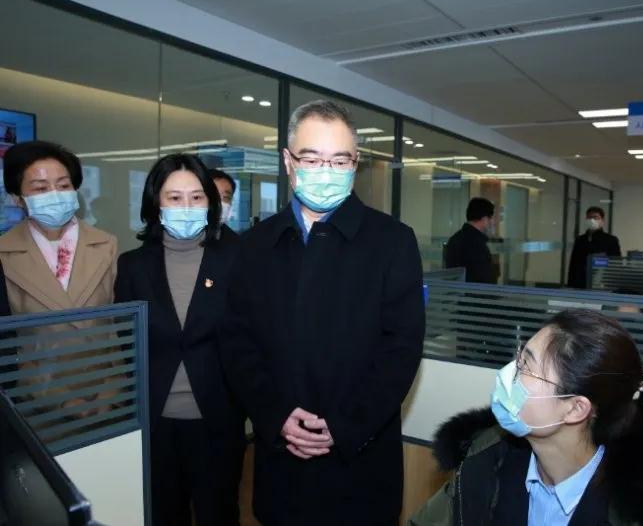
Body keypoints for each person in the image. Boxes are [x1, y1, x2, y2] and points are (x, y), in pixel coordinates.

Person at [220, 99, 424, 525]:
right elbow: (238, 343)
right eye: (312, 159)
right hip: (282, 460)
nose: (325, 172)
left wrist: (345, 426)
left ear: (355, 164)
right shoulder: (255, 245)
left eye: (339, 160)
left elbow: (401, 350)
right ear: (288, 161)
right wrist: (275, 415)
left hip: (360, 462)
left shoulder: (393, 242)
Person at [410, 309, 643, 526]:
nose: (509, 373)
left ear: (575, 409)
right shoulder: (486, 457)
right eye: (519, 357)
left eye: (526, 367)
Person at [114, 154, 244, 526]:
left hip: (219, 420)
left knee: (219, 514)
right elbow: (126, 344)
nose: (186, 206)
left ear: (210, 202)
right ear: (155, 203)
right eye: (174, 197)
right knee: (164, 514)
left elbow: (250, 340)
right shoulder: (133, 266)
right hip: (156, 423)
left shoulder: (239, 259)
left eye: (196, 197)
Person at [0, 140, 118, 420]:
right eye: (40, 188)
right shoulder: (3, 253)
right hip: (37, 406)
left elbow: (117, 328)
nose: (55, 195)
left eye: (63, 185)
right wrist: (60, 399)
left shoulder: (107, 244)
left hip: (108, 399)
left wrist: (112, 390)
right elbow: (11, 346)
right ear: (18, 198)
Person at [444, 197, 499, 283]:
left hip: (456, 290)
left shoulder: (455, 238)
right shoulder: (477, 244)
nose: (492, 222)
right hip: (475, 290)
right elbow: (484, 277)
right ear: (484, 218)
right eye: (491, 218)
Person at [567, 206, 621, 289]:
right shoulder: (580, 239)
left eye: (595, 217)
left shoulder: (611, 240)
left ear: (602, 220)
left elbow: (615, 263)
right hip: (580, 283)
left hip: (601, 283)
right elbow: (573, 263)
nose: (592, 220)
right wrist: (571, 284)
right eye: (589, 217)